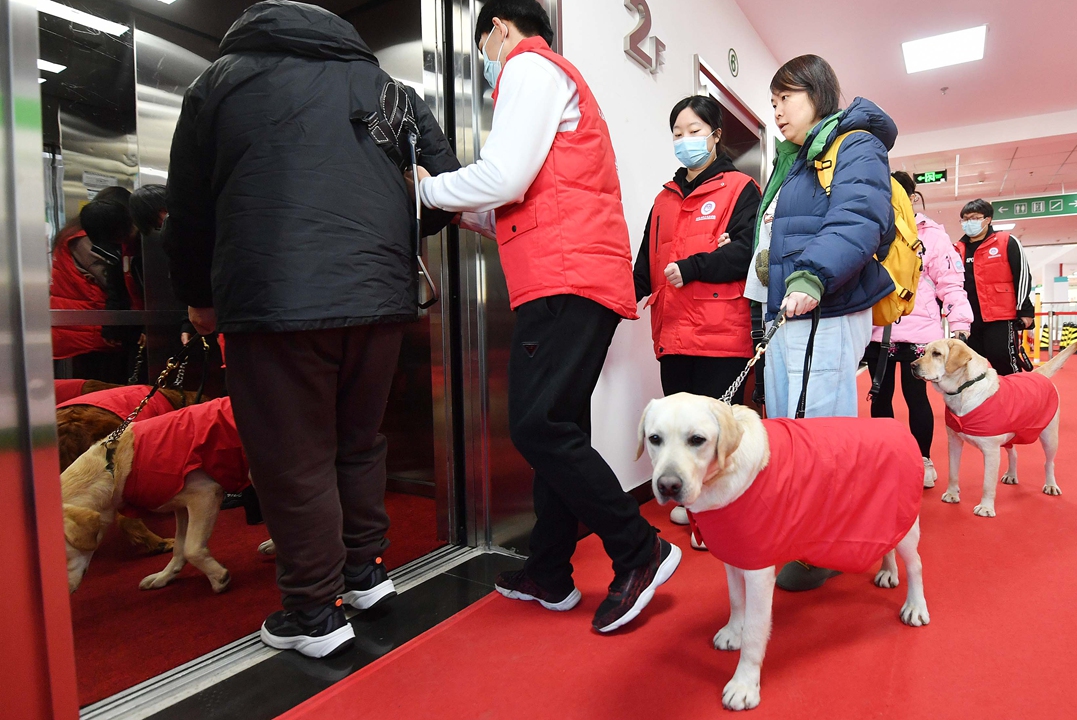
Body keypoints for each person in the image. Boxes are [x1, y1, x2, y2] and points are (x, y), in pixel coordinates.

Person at [164, 0, 460, 658]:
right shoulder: (390, 89)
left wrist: (197, 299)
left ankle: (311, 614)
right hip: (379, 300)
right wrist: (391, 230)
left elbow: (186, 209)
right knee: (358, 442)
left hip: (272, 301)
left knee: (292, 457)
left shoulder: (218, 83)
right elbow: (447, 187)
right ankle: (365, 575)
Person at [415, 0, 680, 633]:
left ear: (498, 31)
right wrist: (461, 210)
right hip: (570, 275)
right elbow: (521, 198)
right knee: (556, 426)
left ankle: (639, 551)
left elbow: (504, 177)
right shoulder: (553, 78)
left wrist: (423, 190)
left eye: (484, 50)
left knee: (537, 428)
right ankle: (549, 571)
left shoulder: (530, 67)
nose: (486, 64)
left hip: (566, 279)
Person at [743, 55, 898, 592]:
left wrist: (810, 276)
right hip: (791, 309)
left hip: (825, 304)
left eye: (786, 97)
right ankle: (806, 532)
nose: (777, 110)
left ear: (817, 93)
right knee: (791, 424)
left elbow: (859, 219)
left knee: (820, 429)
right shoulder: (796, 158)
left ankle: (827, 545)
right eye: (773, 101)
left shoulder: (853, 143)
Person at [633, 96, 761, 548]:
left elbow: (747, 252)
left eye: (693, 131)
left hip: (720, 333)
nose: (685, 141)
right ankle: (694, 504)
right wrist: (619, 301)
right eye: (677, 133)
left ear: (715, 134)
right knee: (679, 437)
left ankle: (723, 515)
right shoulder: (663, 198)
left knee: (717, 437)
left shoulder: (741, 188)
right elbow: (645, 262)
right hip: (672, 334)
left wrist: (695, 266)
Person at [862, 172, 973, 489]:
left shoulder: (932, 235)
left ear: (911, 198)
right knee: (880, 397)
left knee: (916, 397)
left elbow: (950, 282)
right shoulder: (871, 229)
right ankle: (886, 458)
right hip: (878, 331)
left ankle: (923, 460)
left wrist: (960, 324)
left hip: (920, 333)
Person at [956, 199, 1035, 375]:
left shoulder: (1006, 241)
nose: (969, 223)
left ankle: (1017, 400)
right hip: (970, 320)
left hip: (1000, 317)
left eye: (975, 218)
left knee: (1004, 361)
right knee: (971, 368)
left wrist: (1025, 311)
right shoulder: (958, 248)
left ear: (988, 219)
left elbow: (1022, 276)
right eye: (965, 219)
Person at [49, 218, 124, 381]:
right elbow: (110, 278)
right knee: (96, 389)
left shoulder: (70, 234)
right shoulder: (85, 239)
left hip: (75, 329)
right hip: (88, 331)